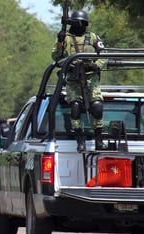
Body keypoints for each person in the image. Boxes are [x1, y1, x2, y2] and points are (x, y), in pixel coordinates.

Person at [52, 10, 107, 152]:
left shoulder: (92, 37)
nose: (80, 26)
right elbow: (56, 57)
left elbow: (104, 55)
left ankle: (99, 140)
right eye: (78, 23)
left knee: (96, 106)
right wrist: (59, 42)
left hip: (90, 77)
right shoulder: (66, 38)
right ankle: (80, 139)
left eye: (82, 23)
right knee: (75, 107)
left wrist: (97, 65)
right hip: (73, 78)